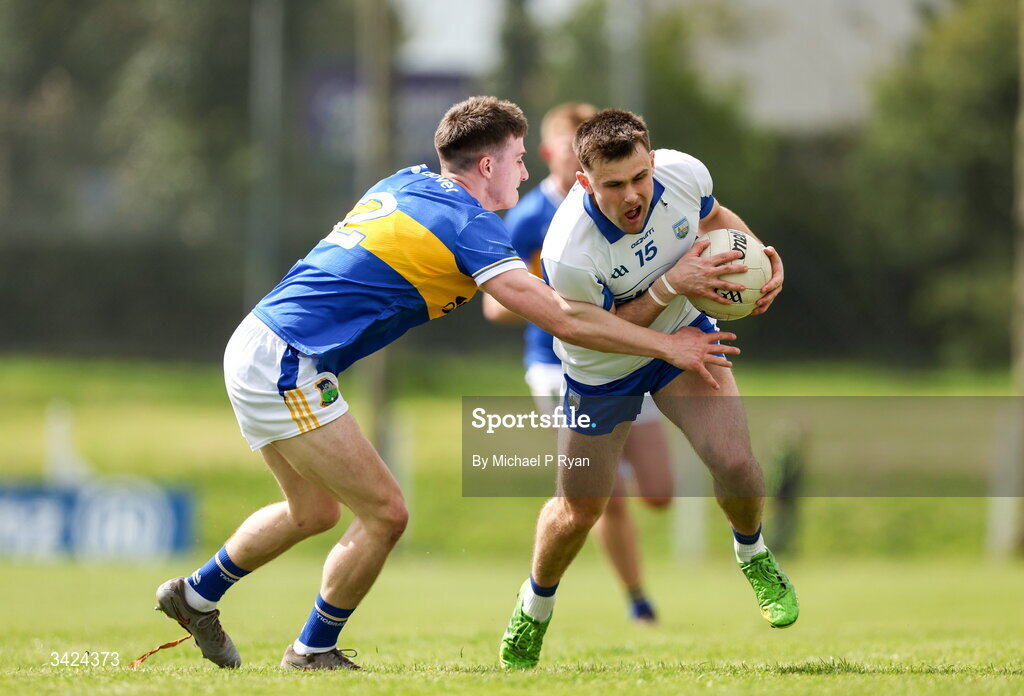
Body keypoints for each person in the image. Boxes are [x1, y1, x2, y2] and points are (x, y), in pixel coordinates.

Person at [152, 96, 738, 671]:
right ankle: (310, 651)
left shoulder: (406, 182)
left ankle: (196, 596)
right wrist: (668, 340)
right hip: (288, 360)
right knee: (386, 513)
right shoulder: (468, 224)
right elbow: (563, 318)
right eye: (515, 158)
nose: (525, 171)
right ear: (487, 166)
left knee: (313, 510)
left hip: (260, 341)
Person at [498, 108, 796, 670]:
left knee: (736, 463)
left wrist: (760, 256)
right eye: (615, 185)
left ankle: (752, 552)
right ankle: (534, 606)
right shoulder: (567, 248)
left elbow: (715, 218)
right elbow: (591, 329)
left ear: (653, 160)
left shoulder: (682, 174)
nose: (633, 194)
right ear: (585, 182)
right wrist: (667, 297)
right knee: (578, 510)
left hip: (682, 336)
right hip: (601, 368)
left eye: (640, 177)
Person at [483, 102, 673, 623]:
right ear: (551, 155)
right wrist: (555, 302)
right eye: (569, 151)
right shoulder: (529, 219)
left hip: (631, 353)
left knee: (658, 494)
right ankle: (639, 603)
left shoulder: (629, 202)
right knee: (602, 496)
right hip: (557, 367)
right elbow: (495, 305)